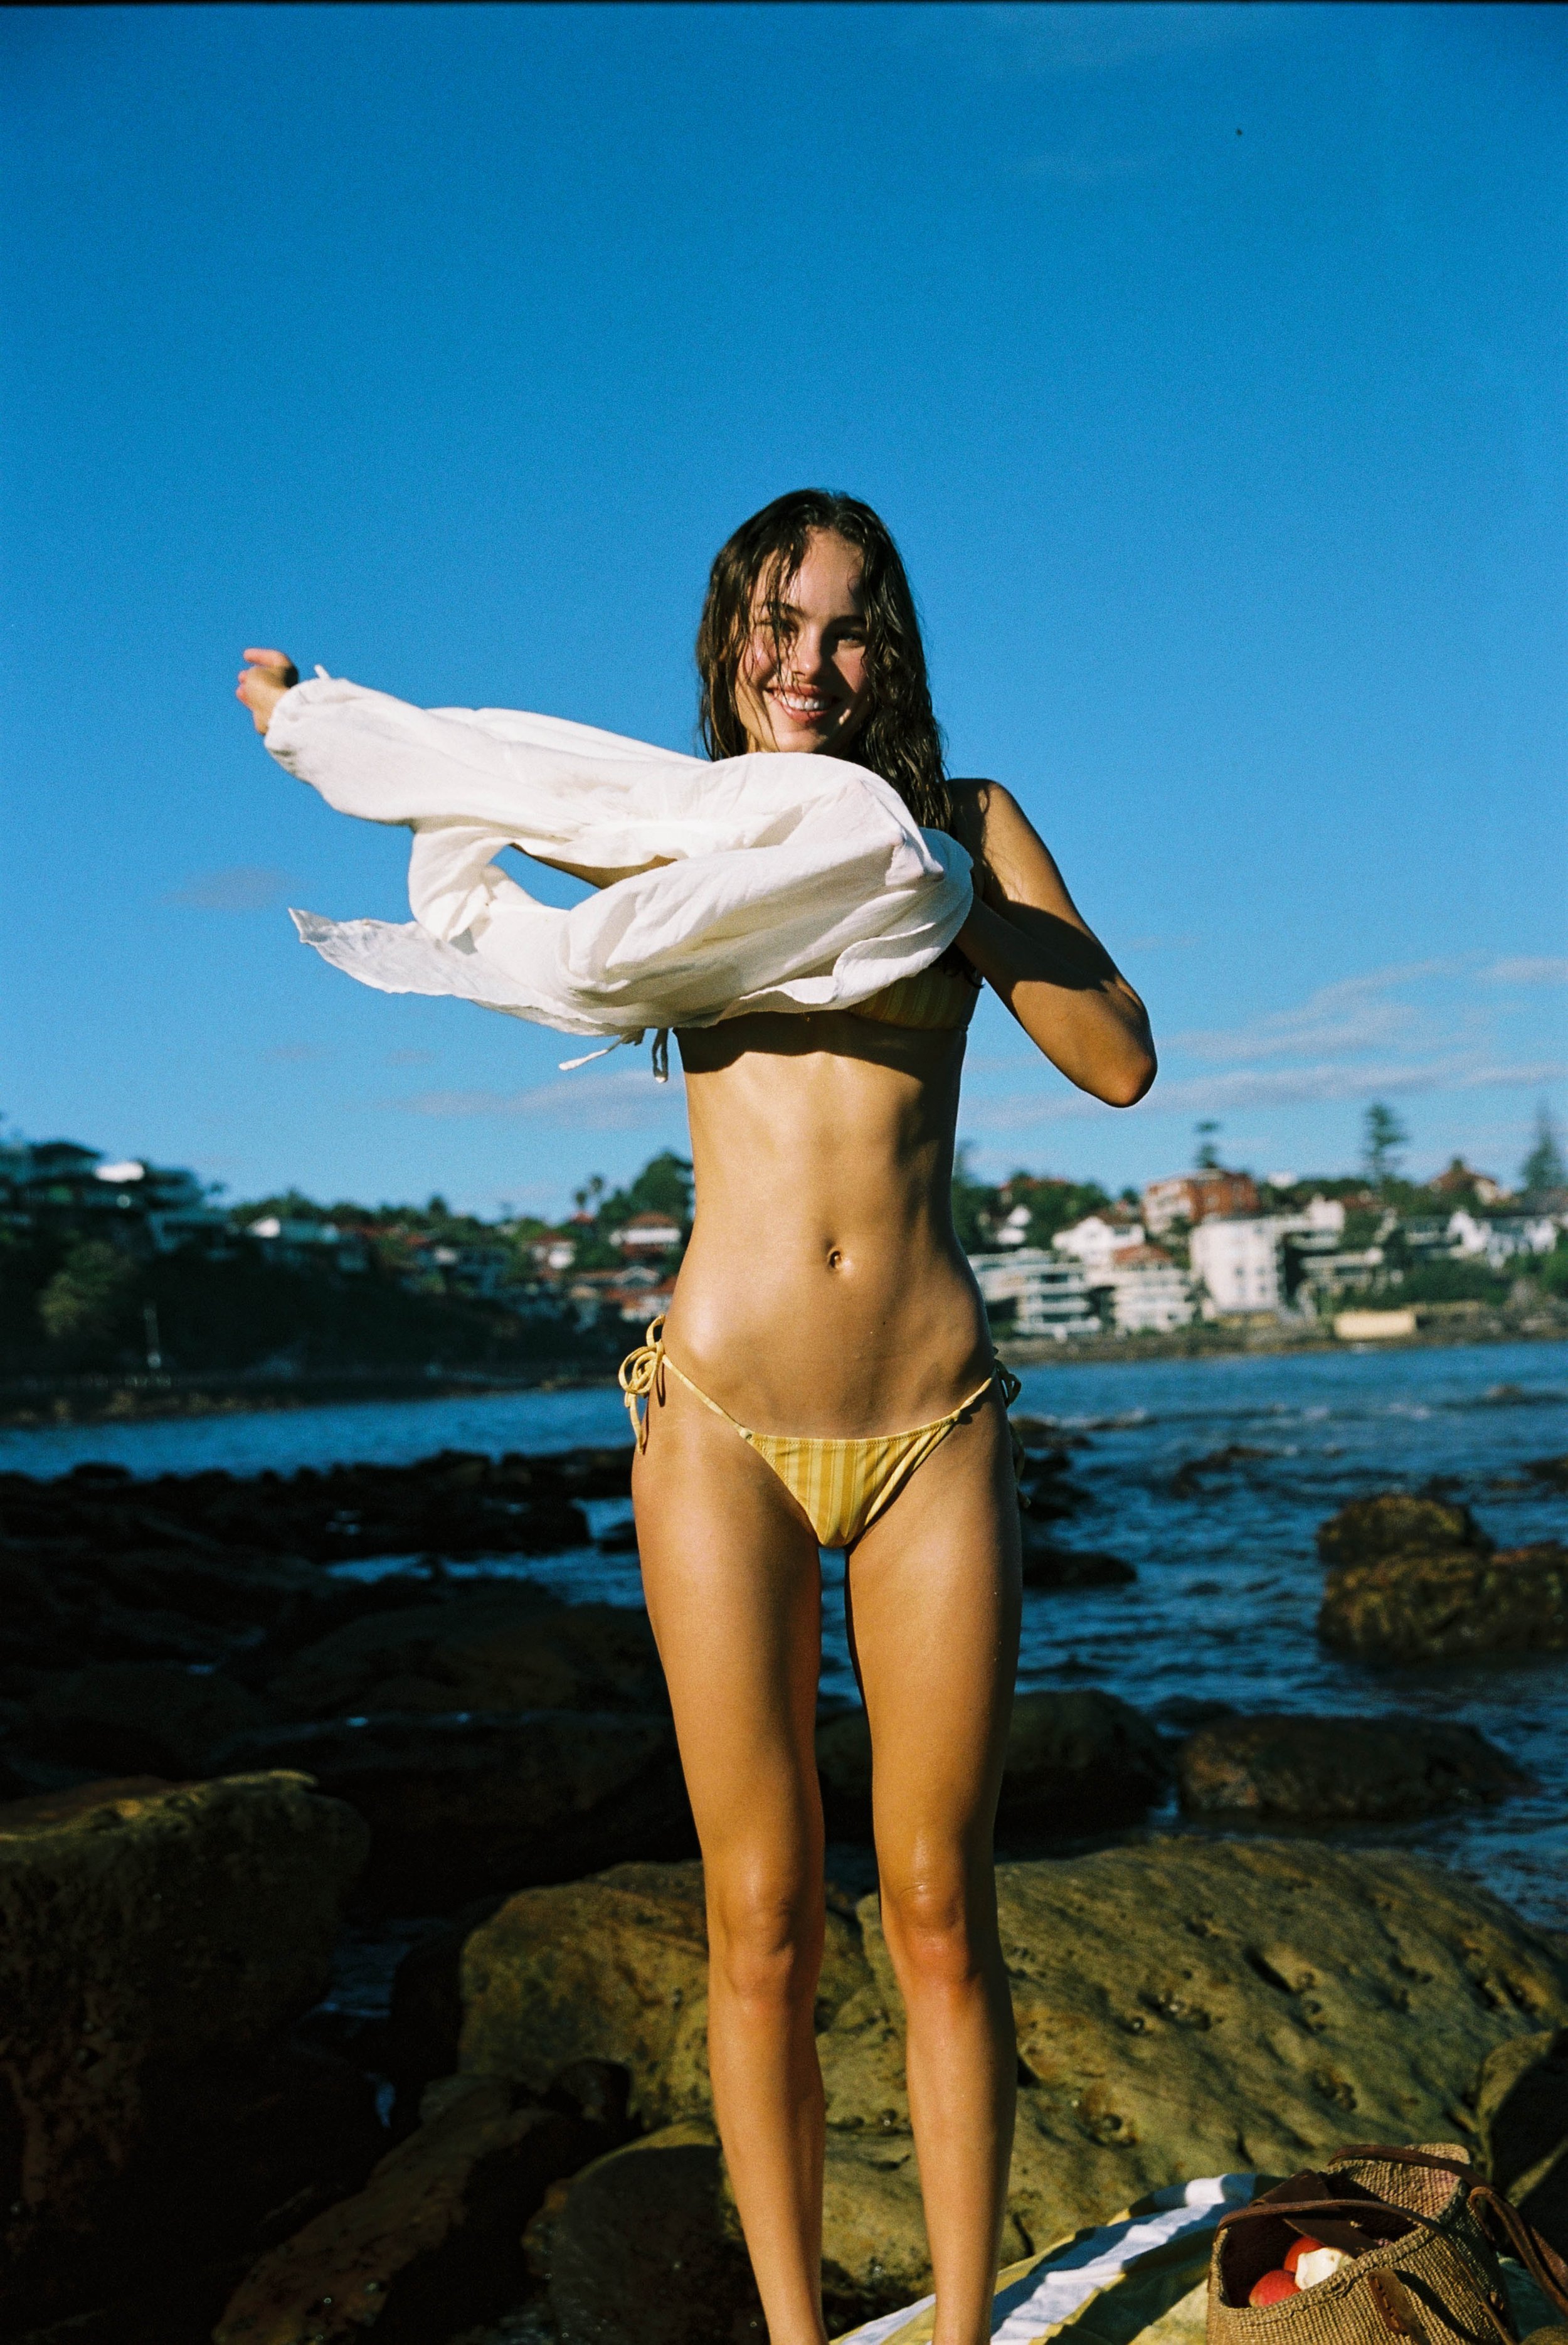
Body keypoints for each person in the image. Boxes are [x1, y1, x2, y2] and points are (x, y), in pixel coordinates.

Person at [236, 488, 1155, 2345]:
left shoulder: (956, 826)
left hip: (932, 1423)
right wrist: (320, 720)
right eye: (774, 621)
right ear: (728, 638)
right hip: (718, 1417)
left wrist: (960, 900)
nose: (807, 661)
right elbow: (505, 792)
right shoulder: (673, 839)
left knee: (934, 1910)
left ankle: (963, 2333)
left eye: (846, 627)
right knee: (757, 1915)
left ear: (889, 650)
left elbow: (1122, 1059)